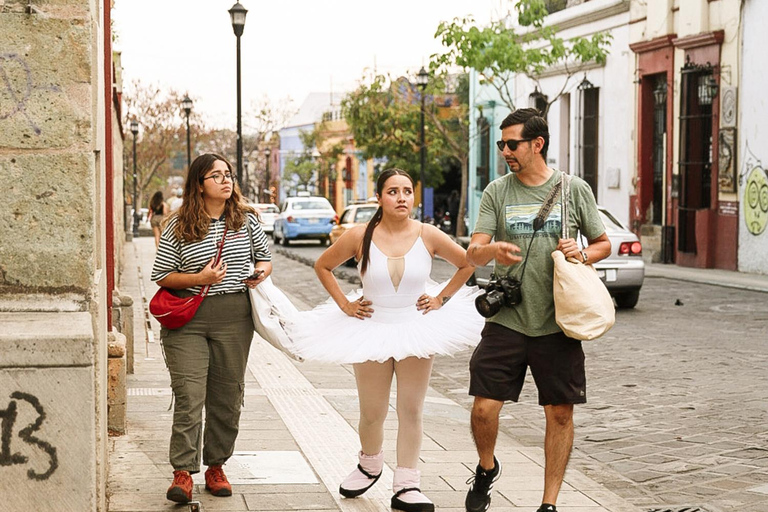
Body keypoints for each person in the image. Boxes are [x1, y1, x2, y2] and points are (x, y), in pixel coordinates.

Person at [286, 168, 484, 512]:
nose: (402, 197)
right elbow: (323, 266)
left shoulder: (428, 234)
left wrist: (441, 299)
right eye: (393, 191)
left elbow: (467, 264)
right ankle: (369, 464)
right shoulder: (360, 235)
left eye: (407, 191)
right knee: (372, 412)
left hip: (416, 328)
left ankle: (407, 484)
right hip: (371, 329)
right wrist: (346, 304)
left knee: (411, 409)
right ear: (380, 197)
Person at [463, 109, 611, 512]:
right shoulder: (498, 191)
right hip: (507, 318)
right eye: (502, 144)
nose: (505, 151)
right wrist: (491, 250)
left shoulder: (572, 189)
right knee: (483, 408)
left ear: (537, 144)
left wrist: (581, 251)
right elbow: (472, 251)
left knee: (559, 413)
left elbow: (602, 243)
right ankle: (486, 466)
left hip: (558, 322)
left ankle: (548, 504)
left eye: (512, 144)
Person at [150, 153, 272, 504]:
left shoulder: (246, 220)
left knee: (227, 395)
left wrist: (260, 273)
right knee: (189, 394)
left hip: (234, 315)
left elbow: (264, 258)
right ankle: (183, 472)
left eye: (228, 174)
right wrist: (200, 278)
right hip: (188, 315)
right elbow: (161, 275)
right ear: (199, 185)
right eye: (215, 175)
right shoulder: (179, 224)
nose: (225, 180)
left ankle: (216, 465)